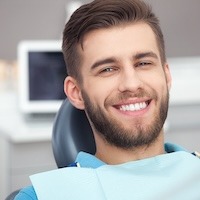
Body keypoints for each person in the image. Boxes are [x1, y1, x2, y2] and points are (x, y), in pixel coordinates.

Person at [14, 0, 200, 199]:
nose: (131, 84)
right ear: (76, 92)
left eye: (144, 63)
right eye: (108, 69)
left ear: (166, 76)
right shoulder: (43, 196)